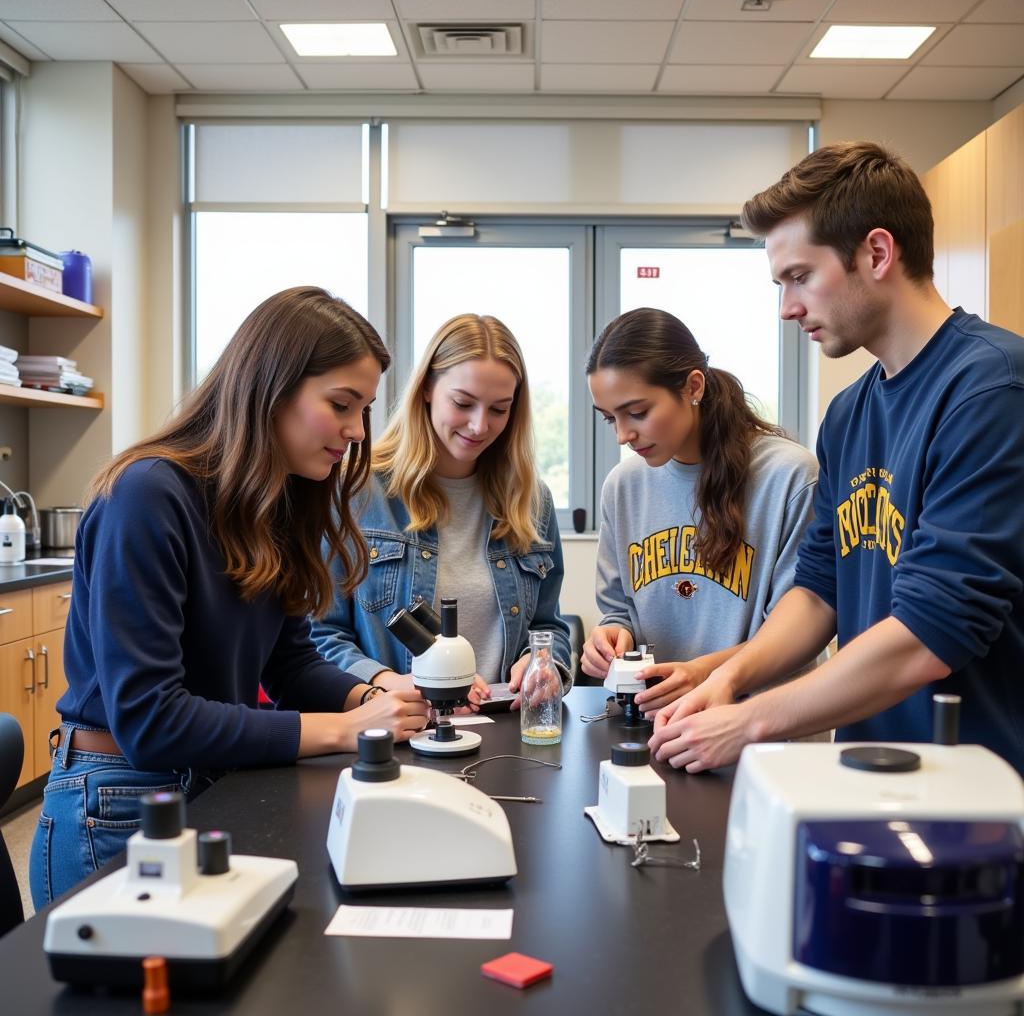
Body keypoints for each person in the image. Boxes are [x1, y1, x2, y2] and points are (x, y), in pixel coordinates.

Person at [29, 286, 430, 908]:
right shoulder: (146, 496)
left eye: (364, 409)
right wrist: (348, 728)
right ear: (271, 388)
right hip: (121, 804)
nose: (356, 432)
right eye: (341, 405)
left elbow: (290, 662)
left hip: (218, 780)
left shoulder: (276, 501)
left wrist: (372, 695)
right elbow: (152, 720)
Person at [650, 141, 1024, 775]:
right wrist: (730, 677)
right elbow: (820, 590)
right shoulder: (850, 412)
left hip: (976, 788)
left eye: (800, 276)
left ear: (876, 253)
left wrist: (752, 720)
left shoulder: (991, 388)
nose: (787, 307)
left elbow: (935, 631)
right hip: (868, 768)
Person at [311, 313, 571, 703]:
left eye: (499, 409)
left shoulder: (532, 501)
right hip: (395, 731)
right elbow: (319, 634)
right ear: (428, 388)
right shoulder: (356, 489)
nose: (480, 426)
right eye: (463, 403)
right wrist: (385, 680)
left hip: (503, 731)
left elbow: (550, 626)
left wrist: (541, 662)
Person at [582, 307, 818, 717]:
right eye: (610, 419)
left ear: (693, 386)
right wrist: (609, 638)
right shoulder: (623, 486)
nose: (624, 435)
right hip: (664, 726)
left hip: (766, 729)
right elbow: (619, 611)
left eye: (637, 412)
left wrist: (703, 674)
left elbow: (796, 635)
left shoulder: (789, 477)